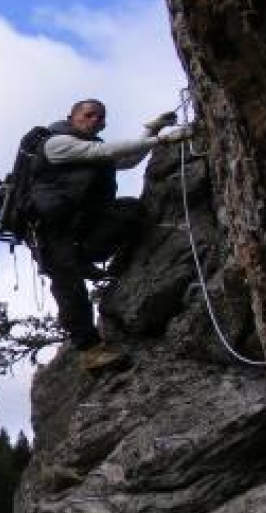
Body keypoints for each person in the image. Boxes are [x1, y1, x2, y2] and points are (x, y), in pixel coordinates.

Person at [28, 98, 191, 371]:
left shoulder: (89, 150)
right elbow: (103, 151)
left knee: (129, 211)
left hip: (79, 228)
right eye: (88, 115)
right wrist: (162, 141)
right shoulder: (55, 144)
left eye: (99, 118)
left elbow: (126, 159)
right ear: (72, 117)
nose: (95, 121)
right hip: (51, 233)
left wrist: (152, 132)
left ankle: (94, 259)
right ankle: (90, 352)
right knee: (70, 289)